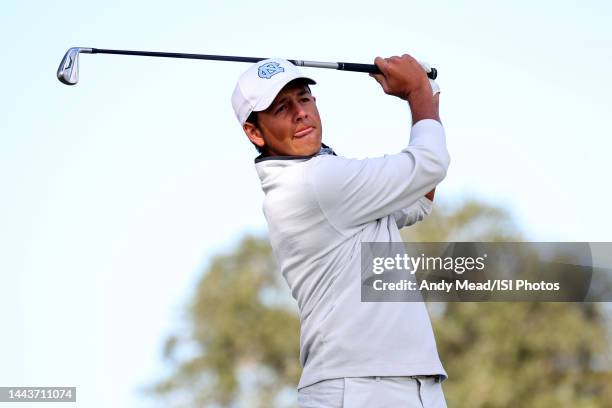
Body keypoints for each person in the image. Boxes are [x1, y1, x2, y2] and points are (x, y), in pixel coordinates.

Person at [231, 54, 450, 407]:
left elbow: (419, 199)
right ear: (254, 132)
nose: (300, 112)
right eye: (280, 108)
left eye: (303, 98)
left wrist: (429, 95)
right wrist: (417, 92)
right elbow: (430, 163)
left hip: (399, 384)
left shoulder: (324, 175)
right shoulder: (314, 182)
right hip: (360, 387)